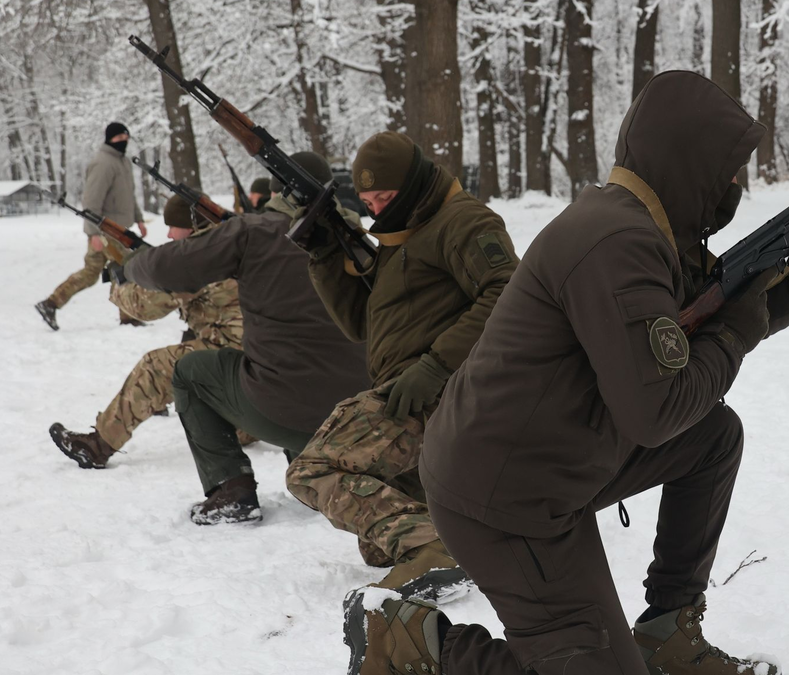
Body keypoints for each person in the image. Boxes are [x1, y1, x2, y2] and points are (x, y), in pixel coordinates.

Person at [345, 71, 789, 675]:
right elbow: (656, 411)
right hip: (501, 494)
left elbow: (690, 339)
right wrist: (739, 328)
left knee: (712, 437)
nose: (733, 185)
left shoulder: (645, 230)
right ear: (686, 160)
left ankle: (668, 633)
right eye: (726, 170)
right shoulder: (618, 244)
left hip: (555, 455)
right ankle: (410, 642)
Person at [284, 132, 517, 599]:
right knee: (379, 547)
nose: (375, 209)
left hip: (441, 392)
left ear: (412, 184)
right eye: (367, 200)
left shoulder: (462, 220)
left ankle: (433, 548)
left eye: (385, 197)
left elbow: (509, 293)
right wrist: (325, 253)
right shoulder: (402, 230)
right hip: (411, 388)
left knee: (309, 471)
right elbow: (358, 322)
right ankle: (449, 544)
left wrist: (435, 366)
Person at [120, 152, 372, 525]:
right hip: (359, 419)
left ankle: (231, 490)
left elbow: (164, 268)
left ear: (276, 191)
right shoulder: (361, 241)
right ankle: (310, 465)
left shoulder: (256, 233)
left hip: (286, 412)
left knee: (191, 372)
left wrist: (129, 265)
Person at [47, 193, 246, 469]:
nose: (168, 233)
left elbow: (143, 307)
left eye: (173, 226)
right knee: (193, 343)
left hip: (241, 359)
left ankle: (98, 446)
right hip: (265, 356)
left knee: (156, 367)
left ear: (190, 227)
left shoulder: (197, 260)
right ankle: (243, 427)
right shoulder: (233, 243)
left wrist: (120, 279)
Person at [36, 122, 146, 330]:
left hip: (120, 229)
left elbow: (128, 196)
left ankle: (50, 304)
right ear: (109, 138)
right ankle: (129, 317)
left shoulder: (123, 162)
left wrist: (139, 219)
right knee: (124, 270)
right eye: (119, 138)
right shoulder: (103, 163)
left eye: (126, 137)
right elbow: (91, 202)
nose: (123, 141)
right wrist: (93, 232)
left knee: (92, 273)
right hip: (106, 231)